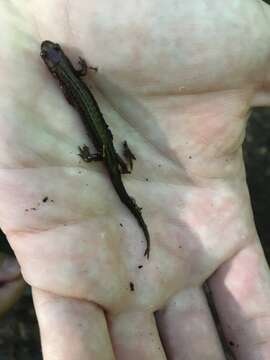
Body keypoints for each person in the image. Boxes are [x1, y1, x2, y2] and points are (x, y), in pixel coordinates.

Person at [0, 0, 270, 359]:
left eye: (51, 54)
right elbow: (80, 72)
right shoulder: (72, 76)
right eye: (50, 55)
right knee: (111, 160)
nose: (49, 54)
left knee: (109, 160)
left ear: (55, 67)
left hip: (105, 147)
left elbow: (75, 84)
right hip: (106, 144)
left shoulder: (66, 82)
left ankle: (129, 201)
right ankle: (129, 198)